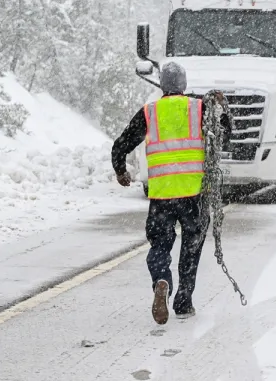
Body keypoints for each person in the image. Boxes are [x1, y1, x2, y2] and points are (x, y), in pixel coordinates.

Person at [111, 61, 231, 325]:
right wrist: (222, 108)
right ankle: (184, 302)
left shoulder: (150, 112)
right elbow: (225, 135)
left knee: (160, 245)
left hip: (162, 195)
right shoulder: (199, 108)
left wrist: (121, 170)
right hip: (194, 195)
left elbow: (121, 144)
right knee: (191, 249)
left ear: (162, 86)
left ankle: (161, 280)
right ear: (184, 85)